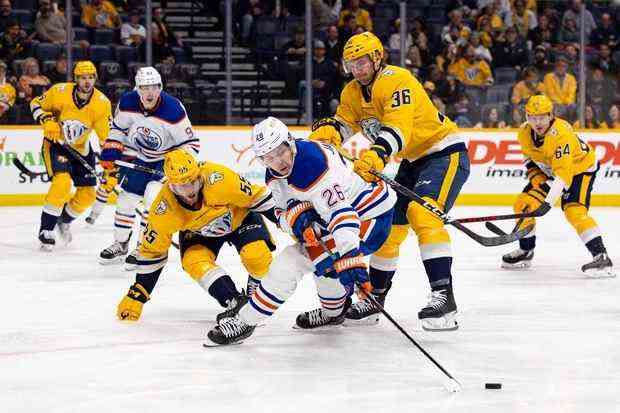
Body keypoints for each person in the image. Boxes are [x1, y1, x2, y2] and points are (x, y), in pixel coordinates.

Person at [307, 32, 470, 331]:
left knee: (423, 215)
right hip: (411, 161)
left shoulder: (398, 79)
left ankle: (444, 299)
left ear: (377, 58)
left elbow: (398, 127)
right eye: (351, 63)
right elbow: (343, 125)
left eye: (361, 61)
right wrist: (327, 137)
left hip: (444, 152)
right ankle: (374, 301)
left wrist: (376, 156)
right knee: (388, 231)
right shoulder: (352, 92)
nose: (356, 69)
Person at [205, 117, 396, 345]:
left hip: (369, 216)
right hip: (345, 217)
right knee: (322, 262)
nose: (278, 161)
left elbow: (342, 215)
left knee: (292, 261)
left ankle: (246, 321)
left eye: (280, 151)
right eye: (268, 157)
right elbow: (280, 215)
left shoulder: (311, 164)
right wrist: (297, 219)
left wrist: (349, 255)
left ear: (290, 143)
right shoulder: (274, 176)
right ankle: (334, 313)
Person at [116, 149, 277, 322]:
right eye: (181, 186)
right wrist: (139, 292)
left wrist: (293, 224)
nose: (190, 192)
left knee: (256, 255)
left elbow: (258, 197)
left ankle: (255, 289)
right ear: (170, 185)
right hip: (199, 232)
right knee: (193, 260)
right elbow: (152, 253)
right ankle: (234, 301)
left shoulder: (220, 177)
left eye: (193, 182)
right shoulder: (163, 210)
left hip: (240, 218)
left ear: (199, 175)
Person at [501, 95, 614, 278]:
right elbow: (530, 159)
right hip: (552, 171)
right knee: (524, 204)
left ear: (551, 115)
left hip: (580, 169)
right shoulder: (523, 132)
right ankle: (526, 251)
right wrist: (537, 178)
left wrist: (546, 203)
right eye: (532, 117)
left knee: (574, 211)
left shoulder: (561, 134)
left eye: (542, 117)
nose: (537, 122)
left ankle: (601, 257)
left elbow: (563, 176)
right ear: (527, 116)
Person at [98, 67, 199, 270]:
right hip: (140, 157)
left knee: (152, 200)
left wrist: (176, 163)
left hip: (166, 160)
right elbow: (118, 129)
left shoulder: (173, 110)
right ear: (137, 89)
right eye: (145, 87)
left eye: (154, 87)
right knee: (126, 200)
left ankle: (143, 247)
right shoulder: (127, 102)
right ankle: (121, 243)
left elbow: (192, 144)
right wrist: (112, 147)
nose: (150, 92)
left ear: (160, 87)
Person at [29, 61, 112, 250]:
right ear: (76, 79)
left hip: (82, 149)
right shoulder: (59, 92)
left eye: (90, 77)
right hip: (56, 145)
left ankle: (63, 221)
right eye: (83, 77)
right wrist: (47, 120)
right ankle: (46, 229)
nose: (87, 81)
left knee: (88, 195)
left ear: (95, 79)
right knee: (62, 183)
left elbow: (106, 138)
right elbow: (35, 104)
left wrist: (111, 164)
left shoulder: (102, 103)